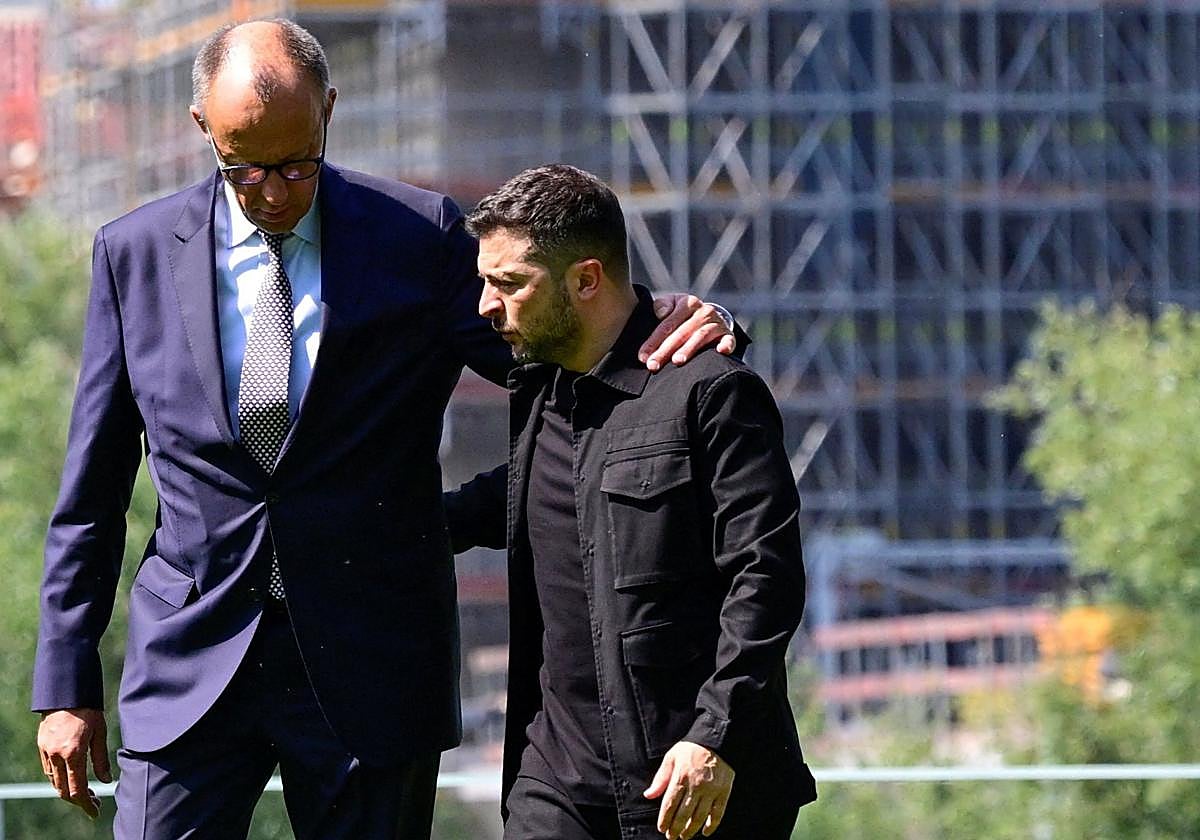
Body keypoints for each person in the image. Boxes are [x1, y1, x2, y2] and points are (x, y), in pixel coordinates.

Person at [31, 19, 736, 839]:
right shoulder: (134, 253)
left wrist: (677, 326)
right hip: (188, 660)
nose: (271, 192)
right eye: (243, 168)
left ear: (330, 111)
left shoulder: (419, 237)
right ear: (203, 130)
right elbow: (92, 491)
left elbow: (556, 357)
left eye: (297, 165)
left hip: (371, 660)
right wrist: (64, 682)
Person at [444, 164, 817, 840]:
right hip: (556, 784)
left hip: (696, 786)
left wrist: (717, 737)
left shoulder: (711, 392)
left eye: (507, 284)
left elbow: (766, 578)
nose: (485, 306)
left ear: (586, 280)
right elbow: (512, 498)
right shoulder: (541, 390)